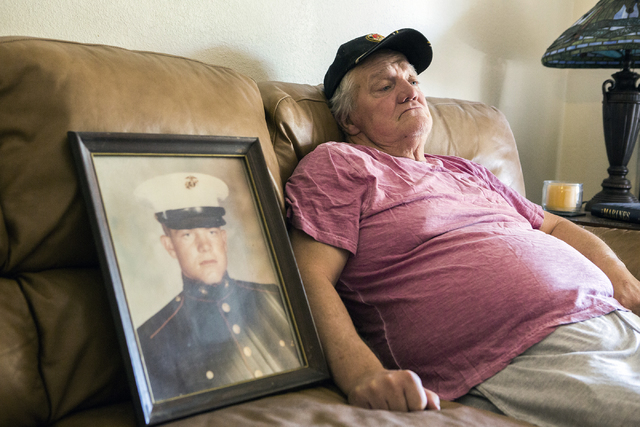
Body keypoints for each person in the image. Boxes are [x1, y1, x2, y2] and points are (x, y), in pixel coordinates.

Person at [285, 28, 640, 426]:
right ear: (349, 119)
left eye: (413, 80)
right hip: (521, 349)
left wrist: (624, 281)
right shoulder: (340, 164)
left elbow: (554, 226)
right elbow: (308, 275)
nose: (410, 91)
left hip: (614, 318)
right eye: (385, 86)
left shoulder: (466, 170)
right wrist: (362, 374)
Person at [135, 172, 301, 402]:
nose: (204, 246)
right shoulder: (152, 338)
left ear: (223, 239)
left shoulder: (276, 298)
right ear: (170, 246)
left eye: (211, 232)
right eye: (187, 235)